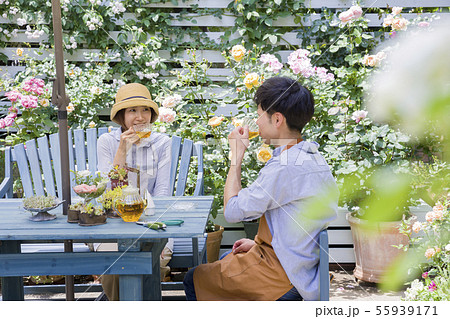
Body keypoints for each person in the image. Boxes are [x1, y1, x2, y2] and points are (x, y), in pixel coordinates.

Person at [183, 76, 338, 301]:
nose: (256, 122)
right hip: (303, 266)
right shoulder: (312, 156)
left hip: (283, 276)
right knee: (228, 255)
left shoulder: (283, 168)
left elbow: (232, 211)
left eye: (259, 115)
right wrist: (258, 244)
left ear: (277, 119)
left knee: (193, 279)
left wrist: (236, 157)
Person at [96, 83, 173, 301]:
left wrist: (147, 221)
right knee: (115, 261)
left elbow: (163, 192)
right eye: (132, 111)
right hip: (112, 223)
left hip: (153, 223)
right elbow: (107, 195)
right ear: (121, 116)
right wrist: (122, 149)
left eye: (145, 110)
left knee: (149, 259)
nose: (140, 117)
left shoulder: (161, 143)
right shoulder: (107, 142)